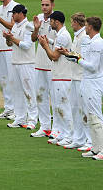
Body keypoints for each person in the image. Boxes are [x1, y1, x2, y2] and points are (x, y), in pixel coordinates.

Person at [57, 16, 103, 160]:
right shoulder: (89, 41)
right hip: (86, 80)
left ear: (91, 27)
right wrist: (68, 54)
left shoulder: (98, 43)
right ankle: (96, 148)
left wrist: (78, 59)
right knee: (89, 114)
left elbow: (92, 66)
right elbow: (82, 59)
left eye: (87, 25)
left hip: (94, 81)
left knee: (96, 116)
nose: (85, 27)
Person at [38, 11, 74, 147]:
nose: (50, 23)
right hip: (59, 76)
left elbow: (54, 56)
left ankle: (69, 136)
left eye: (51, 21)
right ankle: (64, 134)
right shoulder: (61, 35)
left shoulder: (63, 36)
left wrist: (44, 45)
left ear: (56, 22)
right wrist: (49, 42)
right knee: (59, 106)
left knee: (64, 106)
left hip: (63, 76)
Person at [3, 5, 37, 129]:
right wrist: (8, 38)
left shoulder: (28, 27)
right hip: (15, 62)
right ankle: (20, 118)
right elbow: (10, 44)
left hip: (27, 64)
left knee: (29, 92)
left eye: (15, 13)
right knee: (16, 91)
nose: (13, 15)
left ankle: (32, 120)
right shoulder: (15, 26)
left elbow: (26, 45)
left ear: (22, 13)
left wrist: (12, 38)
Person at [29, 0, 56, 138]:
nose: (44, 7)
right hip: (39, 63)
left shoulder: (57, 19)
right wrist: (36, 29)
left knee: (56, 97)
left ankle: (57, 129)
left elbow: (59, 43)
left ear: (52, 5)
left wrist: (47, 41)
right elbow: (33, 39)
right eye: (42, 5)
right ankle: (45, 127)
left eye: (47, 5)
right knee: (40, 95)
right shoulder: (39, 18)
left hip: (52, 64)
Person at [63, 12, 91, 151]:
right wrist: (67, 53)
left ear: (77, 22)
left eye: (72, 22)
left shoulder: (84, 38)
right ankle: (78, 139)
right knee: (74, 108)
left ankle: (89, 140)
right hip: (74, 76)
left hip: (81, 78)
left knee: (83, 109)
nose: (71, 24)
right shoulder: (77, 36)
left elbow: (82, 58)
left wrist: (66, 54)